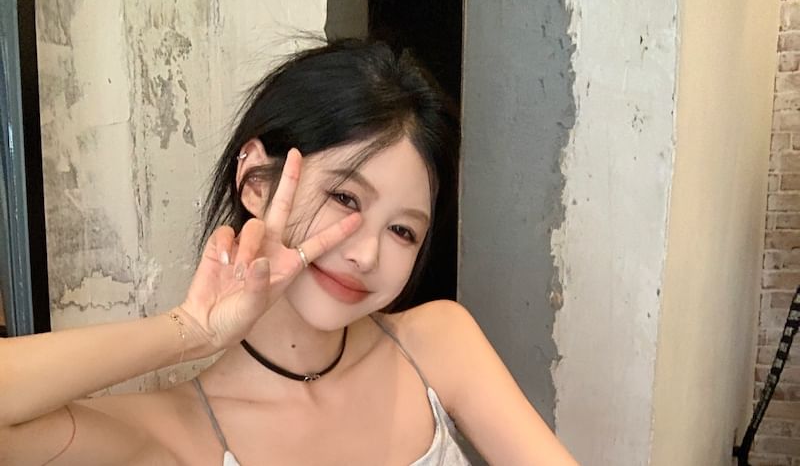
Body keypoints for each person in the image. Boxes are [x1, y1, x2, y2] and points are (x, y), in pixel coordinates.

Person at [0, 40, 579, 465]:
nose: (367, 254)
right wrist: (190, 331)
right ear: (256, 181)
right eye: (345, 198)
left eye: (403, 231)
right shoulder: (179, 431)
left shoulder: (436, 346)